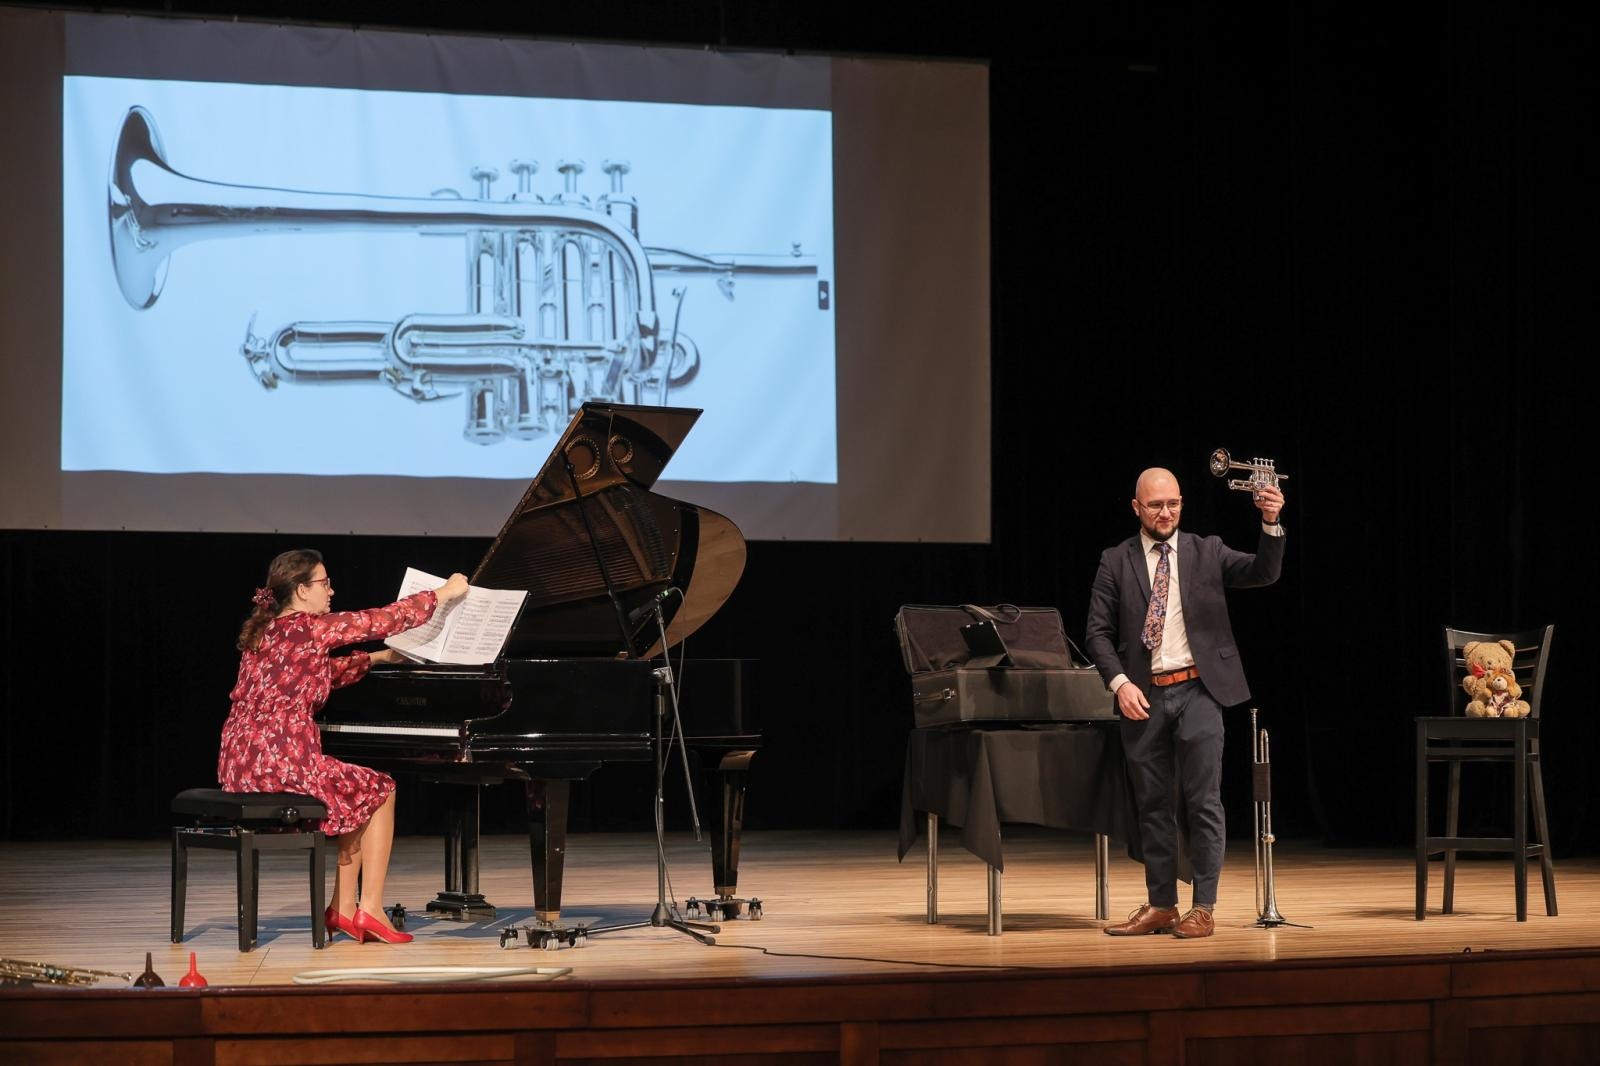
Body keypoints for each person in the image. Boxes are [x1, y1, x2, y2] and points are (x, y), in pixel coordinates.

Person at [219, 549, 469, 944]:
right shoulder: (311, 627)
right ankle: (370, 908)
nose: (331, 591)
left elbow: (315, 674)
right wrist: (444, 593)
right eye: (324, 583)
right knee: (382, 789)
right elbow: (382, 619)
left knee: (357, 790)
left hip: (240, 762)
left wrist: (380, 657)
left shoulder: (267, 632)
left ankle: (341, 906)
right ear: (301, 590)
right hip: (280, 761)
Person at [1085, 467, 1284, 939]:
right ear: (1137, 508)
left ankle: (1204, 907)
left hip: (1199, 690)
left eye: (1173, 503)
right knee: (1153, 805)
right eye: (1155, 505)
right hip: (1144, 695)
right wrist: (1118, 683)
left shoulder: (1206, 550)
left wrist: (1271, 522)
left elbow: (1263, 572)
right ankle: (1161, 905)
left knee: (1204, 801)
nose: (1166, 512)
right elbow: (1096, 632)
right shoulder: (1116, 560)